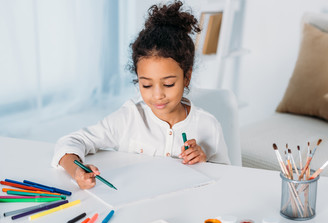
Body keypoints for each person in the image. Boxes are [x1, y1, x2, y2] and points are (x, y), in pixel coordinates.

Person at [52, 0, 230, 189]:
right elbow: (71, 141)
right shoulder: (129, 118)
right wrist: (76, 171)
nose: (157, 95)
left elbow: (230, 178)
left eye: (168, 84)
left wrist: (204, 162)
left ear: (187, 77)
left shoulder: (207, 126)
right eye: (146, 85)